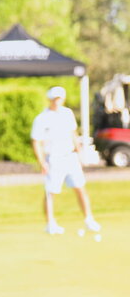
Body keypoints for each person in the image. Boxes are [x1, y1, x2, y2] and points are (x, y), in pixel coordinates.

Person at [31, 85, 100, 235]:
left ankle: (89, 219)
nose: (57, 101)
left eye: (59, 98)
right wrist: (41, 161)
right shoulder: (42, 118)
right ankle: (50, 223)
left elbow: (73, 133)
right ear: (49, 99)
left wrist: (80, 152)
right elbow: (36, 141)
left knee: (80, 188)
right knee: (51, 191)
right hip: (53, 159)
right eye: (54, 98)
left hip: (70, 157)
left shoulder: (67, 113)